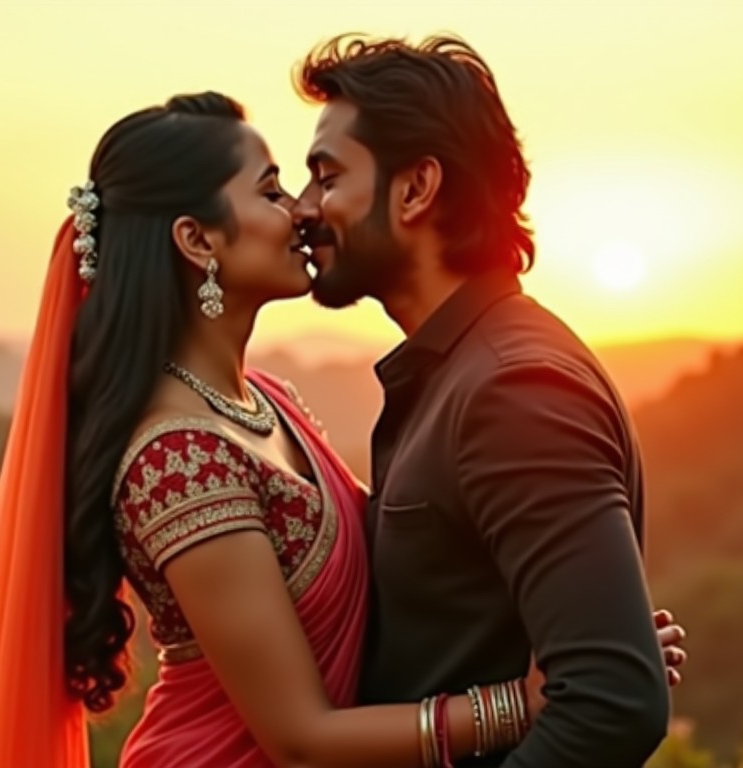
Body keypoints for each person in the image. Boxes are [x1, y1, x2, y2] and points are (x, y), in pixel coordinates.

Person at [0, 91, 685, 768]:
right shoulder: (177, 458)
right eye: (272, 190)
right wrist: (518, 706)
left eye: (311, 181)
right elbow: (299, 739)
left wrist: (590, 645)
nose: (300, 209)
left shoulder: (269, 401)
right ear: (199, 241)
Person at [292, 35, 674, 767]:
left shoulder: (513, 388)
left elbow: (612, 701)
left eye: (326, 175)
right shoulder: (452, 374)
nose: (304, 209)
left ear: (416, 189)